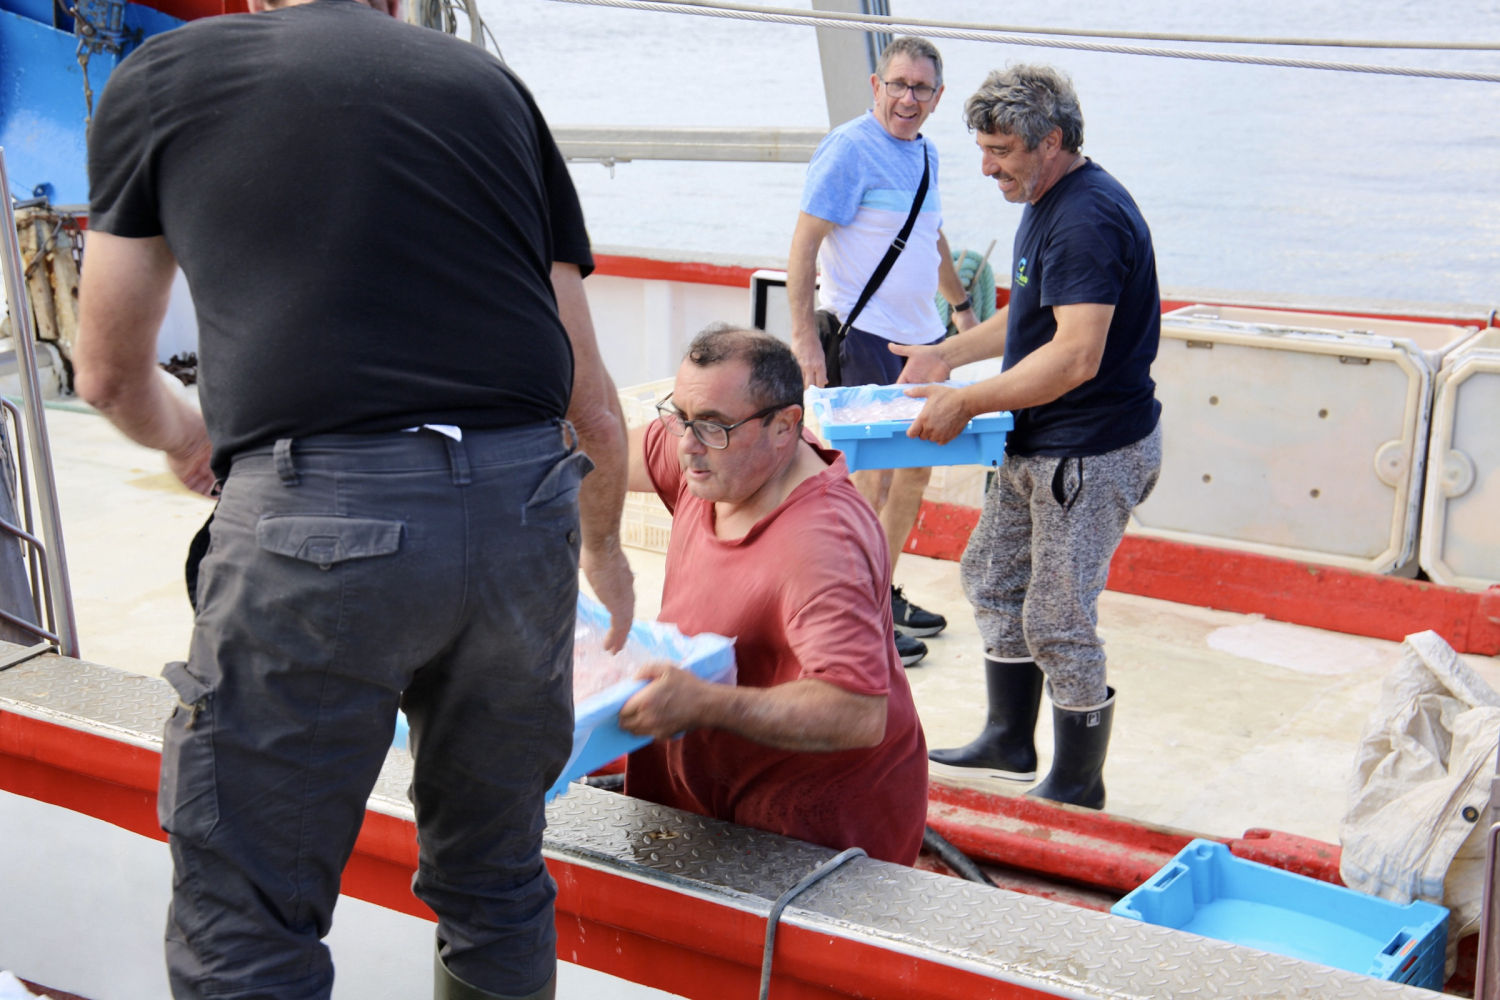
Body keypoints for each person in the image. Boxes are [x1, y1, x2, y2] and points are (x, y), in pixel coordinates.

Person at [74, 1, 634, 997]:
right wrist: (605, 554)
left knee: (249, 919)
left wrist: (191, 440)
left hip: (320, 515)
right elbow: (589, 397)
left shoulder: (163, 77)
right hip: (521, 514)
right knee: (498, 879)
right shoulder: (491, 89)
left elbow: (109, 373)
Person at [894, 65, 1163, 811]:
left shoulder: (1085, 218)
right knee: (992, 576)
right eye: (981, 149)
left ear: (1051, 141)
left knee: (1057, 614)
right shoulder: (1046, 197)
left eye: (1002, 150)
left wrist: (966, 401)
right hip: (1036, 438)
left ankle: (1079, 783)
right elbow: (1030, 322)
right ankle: (1010, 739)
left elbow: (1075, 355)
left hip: (1091, 450)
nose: (988, 167)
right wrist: (946, 355)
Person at [616, 325, 929, 866]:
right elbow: (599, 457)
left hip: (812, 840)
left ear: (786, 427)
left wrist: (703, 704)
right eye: (681, 417)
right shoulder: (718, 463)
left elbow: (856, 712)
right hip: (707, 808)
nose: (688, 446)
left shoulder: (822, 545)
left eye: (713, 426)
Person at [786, 35, 980, 668]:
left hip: (921, 339)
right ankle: (855, 614)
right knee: (871, 480)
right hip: (863, 334)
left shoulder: (925, 156)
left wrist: (960, 310)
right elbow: (804, 245)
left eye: (921, 88)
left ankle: (879, 593)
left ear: (938, 98)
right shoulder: (849, 149)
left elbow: (932, 239)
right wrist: (804, 339)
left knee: (914, 473)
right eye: (897, 84)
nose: (907, 98)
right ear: (876, 85)